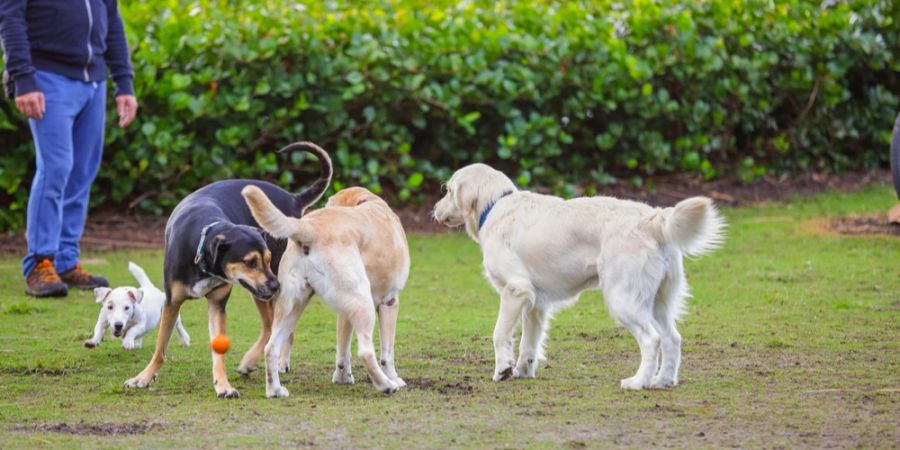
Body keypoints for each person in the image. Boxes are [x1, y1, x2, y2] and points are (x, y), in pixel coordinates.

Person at [0, 0, 138, 297]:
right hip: (46, 76)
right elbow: (9, 15)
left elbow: (112, 21)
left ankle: (64, 260)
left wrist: (124, 83)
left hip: (93, 81)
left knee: (82, 172)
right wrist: (23, 77)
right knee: (56, 169)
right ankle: (39, 262)